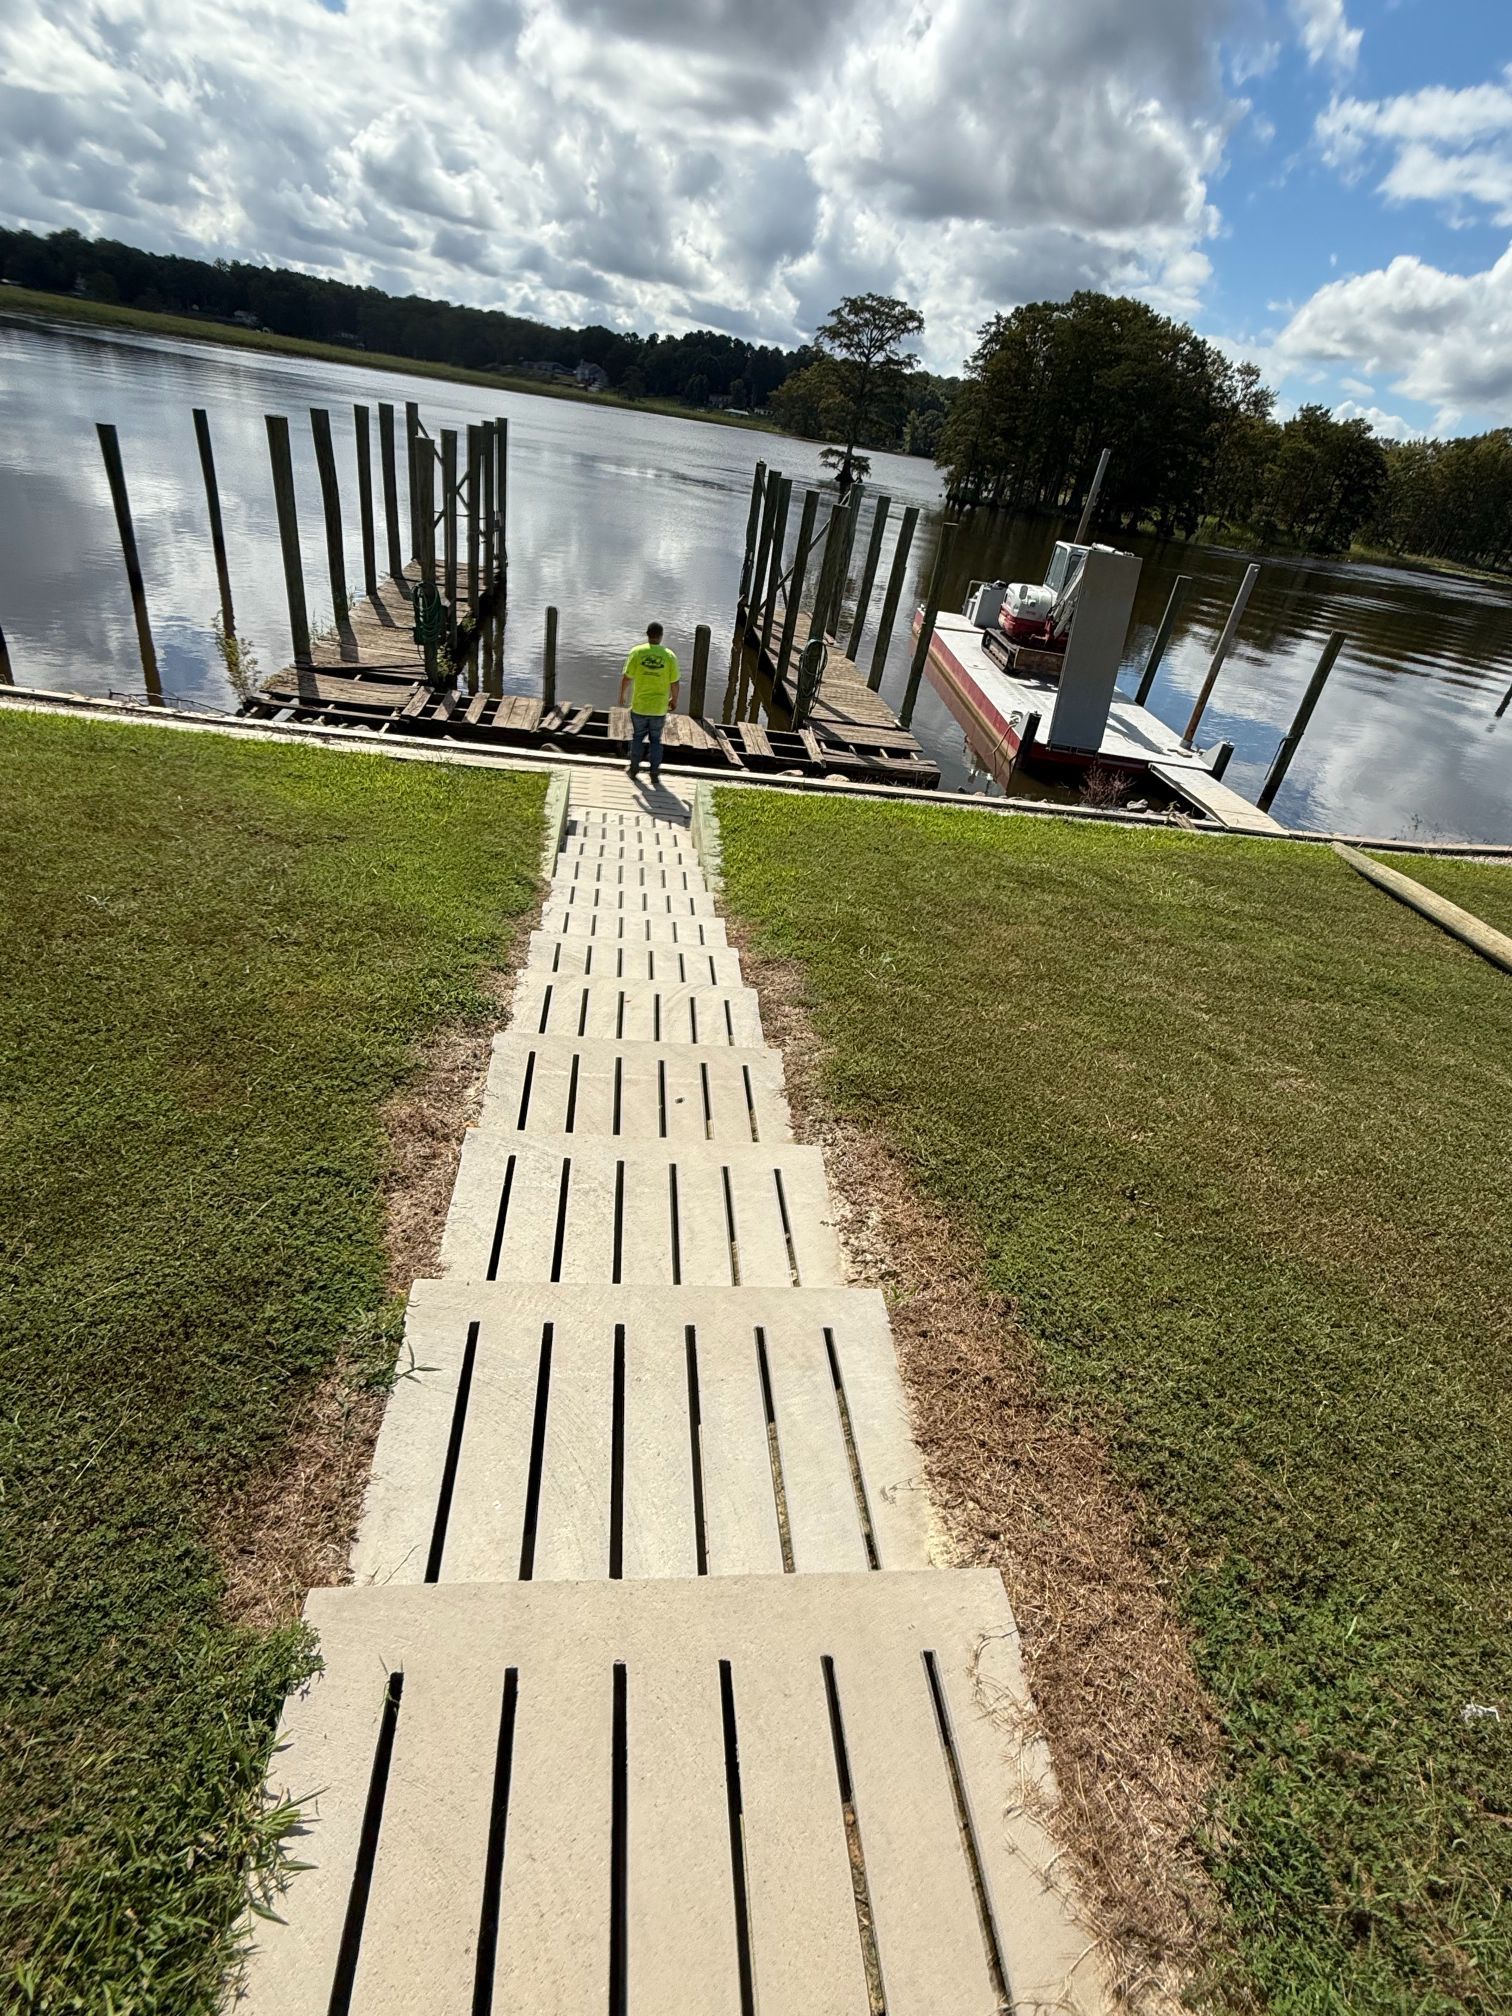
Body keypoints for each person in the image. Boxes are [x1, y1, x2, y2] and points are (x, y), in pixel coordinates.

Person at [619, 621, 680, 786]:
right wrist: (674, 700)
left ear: (647, 634)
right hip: (659, 708)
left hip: (639, 706)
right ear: (661, 636)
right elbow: (674, 683)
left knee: (637, 737)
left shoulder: (637, 652)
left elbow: (627, 678)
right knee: (655, 740)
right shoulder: (669, 656)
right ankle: (654, 774)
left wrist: (622, 695)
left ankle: (633, 770)